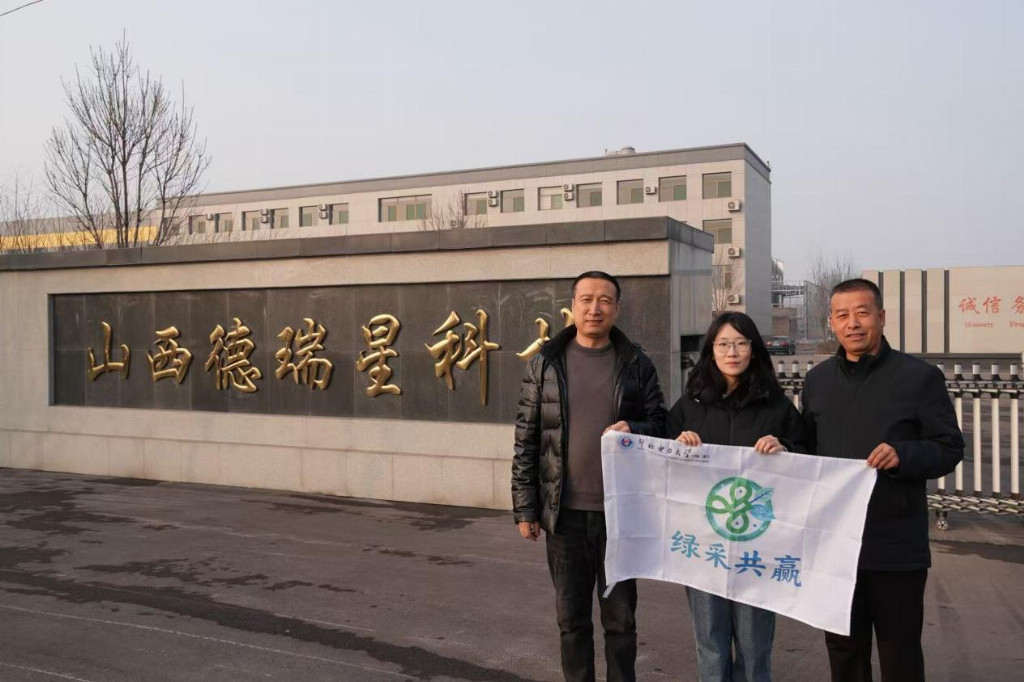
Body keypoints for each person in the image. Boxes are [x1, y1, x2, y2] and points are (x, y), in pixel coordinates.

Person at [801, 278, 964, 682]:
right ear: (832, 323)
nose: (852, 323)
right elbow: (805, 450)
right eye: (842, 315)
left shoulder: (919, 377)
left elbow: (949, 447)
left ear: (881, 317)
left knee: (899, 653)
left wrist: (903, 455)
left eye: (862, 313)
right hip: (834, 545)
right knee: (844, 651)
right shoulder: (818, 381)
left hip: (896, 544)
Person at [511, 270, 667, 682]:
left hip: (620, 516)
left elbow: (661, 424)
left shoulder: (636, 364)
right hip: (564, 516)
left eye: (604, 300)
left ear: (617, 308)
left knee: (621, 621)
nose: (595, 308)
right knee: (571, 620)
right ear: (572, 306)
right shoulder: (545, 364)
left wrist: (635, 428)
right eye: (586, 299)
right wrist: (526, 508)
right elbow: (526, 439)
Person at [667, 311, 806, 682]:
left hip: (757, 546)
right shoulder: (690, 406)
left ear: (753, 350)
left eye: (741, 343)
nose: (732, 352)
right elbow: (661, 462)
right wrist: (677, 445)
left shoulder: (776, 406)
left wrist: (786, 447)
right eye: (723, 344)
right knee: (710, 643)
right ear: (711, 350)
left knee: (754, 646)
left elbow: (808, 457)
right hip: (704, 545)